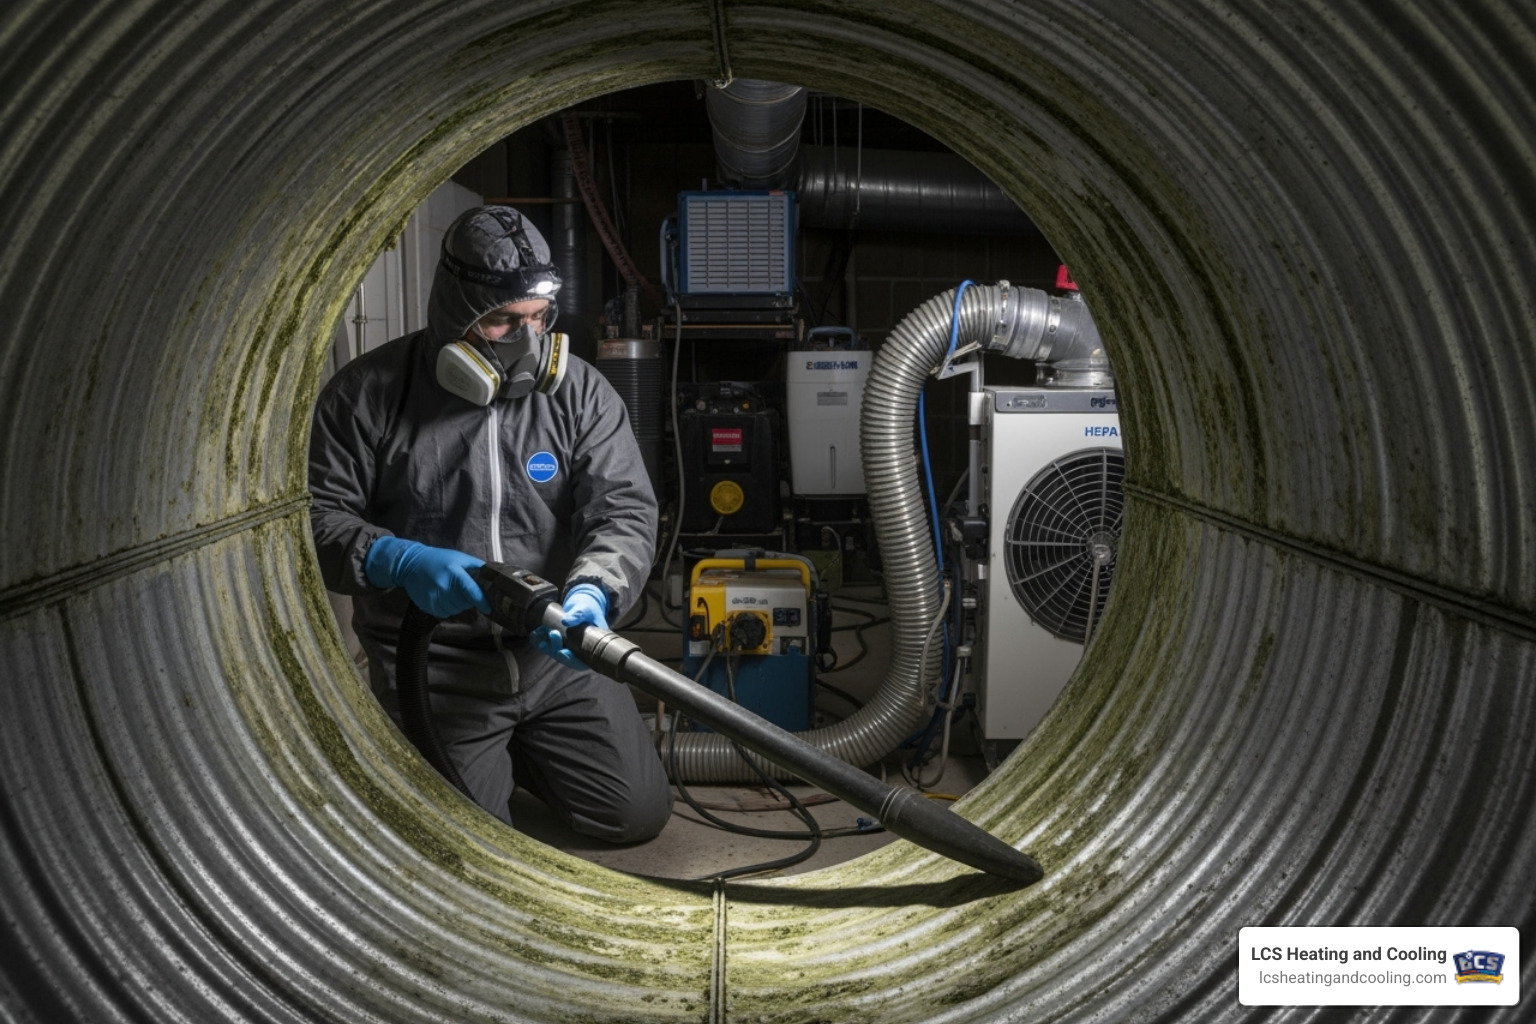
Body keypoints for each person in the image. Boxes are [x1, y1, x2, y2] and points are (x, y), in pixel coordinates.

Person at [308, 204, 672, 843]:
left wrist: (595, 590)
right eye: (503, 320)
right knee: (469, 846)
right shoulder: (365, 395)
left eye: (536, 319)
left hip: (553, 653)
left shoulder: (579, 393)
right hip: (437, 662)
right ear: (455, 312)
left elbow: (624, 511)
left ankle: (524, 751)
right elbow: (317, 516)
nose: (526, 342)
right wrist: (395, 559)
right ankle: (486, 759)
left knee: (634, 818)